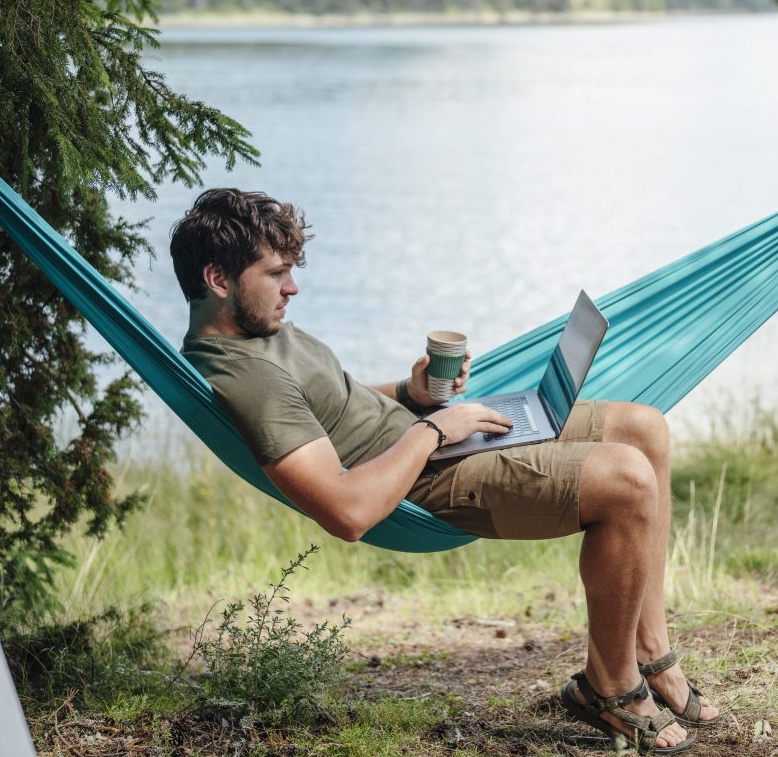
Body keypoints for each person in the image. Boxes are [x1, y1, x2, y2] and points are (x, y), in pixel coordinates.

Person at [172, 188, 720, 753]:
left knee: (644, 428)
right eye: (277, 273)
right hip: (425, 478)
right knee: (627, 480)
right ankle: (609, 685)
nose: (293, 288)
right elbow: (348, 511)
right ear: (219, 279)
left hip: (432, 439)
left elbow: (338, 405)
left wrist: (411, 394)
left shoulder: (260, 327)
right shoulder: (247, 376)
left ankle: (649, 651)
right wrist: (436, 429)